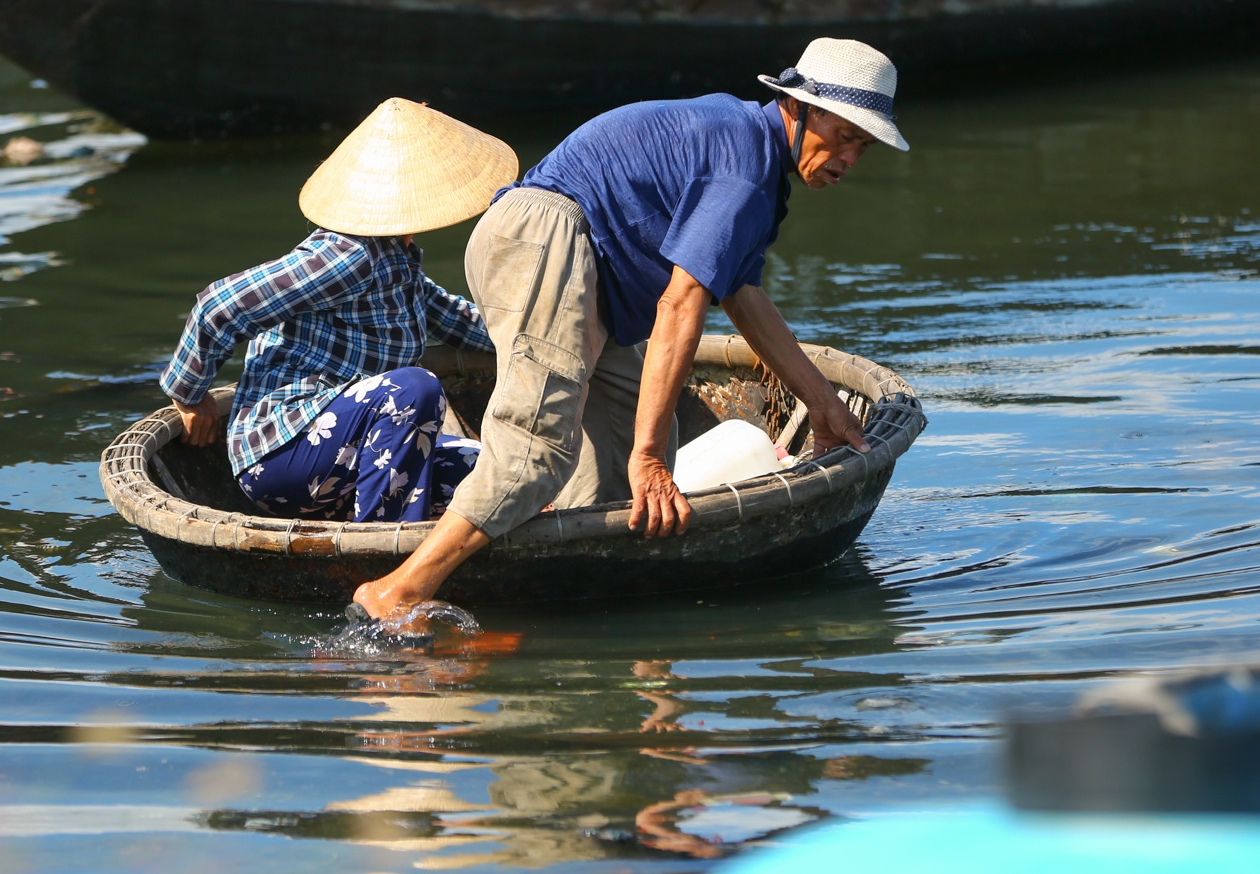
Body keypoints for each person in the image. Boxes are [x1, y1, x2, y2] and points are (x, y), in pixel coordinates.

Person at [354, 38, 909, 620]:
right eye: (845, 136)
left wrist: (821, 404)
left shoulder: (757, 168)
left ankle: (551, 597)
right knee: (538, 444)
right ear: (799, 108)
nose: (850, 158)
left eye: (862, 147)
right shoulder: (745, 167)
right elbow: (680, 304)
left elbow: (744, 298)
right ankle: (397, 591)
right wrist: (650, 461)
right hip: (547, 237)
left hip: (587, 274)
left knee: (625, 463)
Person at [158, 98, 516, 523]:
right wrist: (190, 396)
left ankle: (398, 526)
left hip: (349, 454)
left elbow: (460, 320)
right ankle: (386, 545)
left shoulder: (398, 258)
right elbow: (220, 305)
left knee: (500, 472)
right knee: (414, 389)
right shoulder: (348, 254)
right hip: (286, 452)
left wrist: (548, 335)